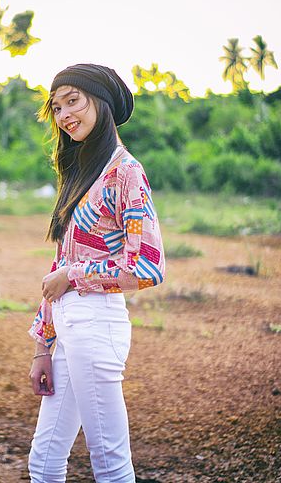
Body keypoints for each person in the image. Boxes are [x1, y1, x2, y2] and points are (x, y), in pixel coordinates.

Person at [27, 63, 165, 483]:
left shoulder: (126, 172)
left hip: (96, 322)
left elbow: (147, 266)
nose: (65, 115)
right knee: (44, 458)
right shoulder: (83, 174)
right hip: (69, 329)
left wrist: (75, 274)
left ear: (101, 103)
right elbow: (58, 266)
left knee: (109, 459)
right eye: (57, 107)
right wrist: (42, 345)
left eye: (74, 101)